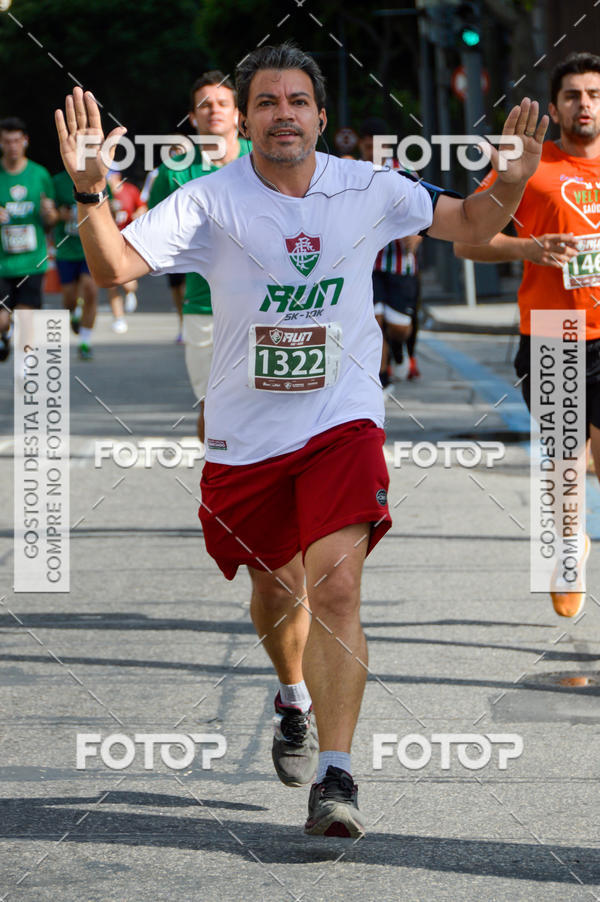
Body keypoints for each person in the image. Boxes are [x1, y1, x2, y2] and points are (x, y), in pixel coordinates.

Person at [55, 43, 546, 838]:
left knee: (339, 589)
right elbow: (111, 268)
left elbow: (471, 223)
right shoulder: (211, 201)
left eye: (297, 101)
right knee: (276, 589)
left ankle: (337, 776)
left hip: (342, 421)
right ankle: (294, 698)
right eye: (266, 102)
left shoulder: (369, 187)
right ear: (247, 120)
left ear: (320, 116)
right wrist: (87, 188)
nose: (283, 113)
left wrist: (513, 178)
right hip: (248, 436)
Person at [454, 51, 600, 619]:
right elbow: (468, 241)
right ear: (557, 105)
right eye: (572, 95)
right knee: (565, 460)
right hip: (553, 331)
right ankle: (569, 545)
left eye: (593, 94)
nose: (584, 104)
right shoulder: (530, 167)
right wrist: (527, 248)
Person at [148, 71, 251, 440]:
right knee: (212, 406)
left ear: (239, 113)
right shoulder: (175, 171)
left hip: (268, 306)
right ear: (193, 117)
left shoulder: (268, 160)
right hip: (204, 306)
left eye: (223, 103)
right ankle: (220, 489)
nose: (214, 111)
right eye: (204, 105)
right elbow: (150, 232)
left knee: (268, 406)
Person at [357, 117, 423, 389]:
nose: (372, 149)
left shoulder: (404, 172)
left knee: (398, 327)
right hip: (366, 265)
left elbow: (426, 212)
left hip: (400, 265)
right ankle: (381, 378)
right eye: (367, 144)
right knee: (375, 320)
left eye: (378, 144)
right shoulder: (352, 172)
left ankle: (399, 348)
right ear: (361, 144)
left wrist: (417, 237)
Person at [0, 117, 57, 361]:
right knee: (1, 319)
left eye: (16, 140)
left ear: (25, 141)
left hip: (32, 261)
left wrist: (49, 213)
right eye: (6, 141)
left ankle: (25, 368)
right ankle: (4, 333)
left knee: (25, 315)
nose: (12, 146)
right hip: (2, 263)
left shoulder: (40, 174)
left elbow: (52, 218)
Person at [53, 169, 98, 359]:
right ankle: (73, 313)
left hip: (91, 247)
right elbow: (47, 213)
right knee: (69, 298)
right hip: (66, 248)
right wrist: (58, 215)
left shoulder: (97, 177)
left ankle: (85, 342)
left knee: (90, 290)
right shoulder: (56, 180)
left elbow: (109, 207)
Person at [106, 169, 145, 333]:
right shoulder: (102, 194)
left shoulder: (130, 190)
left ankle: (130, 293)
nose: (109, 181)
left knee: (128, 282)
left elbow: (143, 207)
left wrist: (138, 214)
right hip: (109, 241)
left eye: (111, 176)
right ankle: (119, 317)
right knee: (112, 281)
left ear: (118, 176)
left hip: (128, 240)